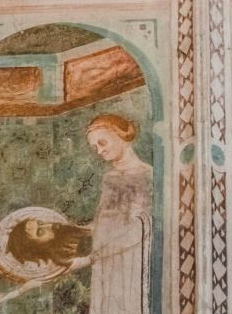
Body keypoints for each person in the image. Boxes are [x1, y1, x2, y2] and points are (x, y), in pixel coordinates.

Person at [69, 114, 153, 314]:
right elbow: (106, 221)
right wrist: (73, 230)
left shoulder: (146, 175)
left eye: (102, 142)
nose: (99, 150)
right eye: (95, 147)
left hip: (130, 258)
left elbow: (140, 227)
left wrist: (90, 258)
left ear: (120, 135)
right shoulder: (109, 178)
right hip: (104, 259)